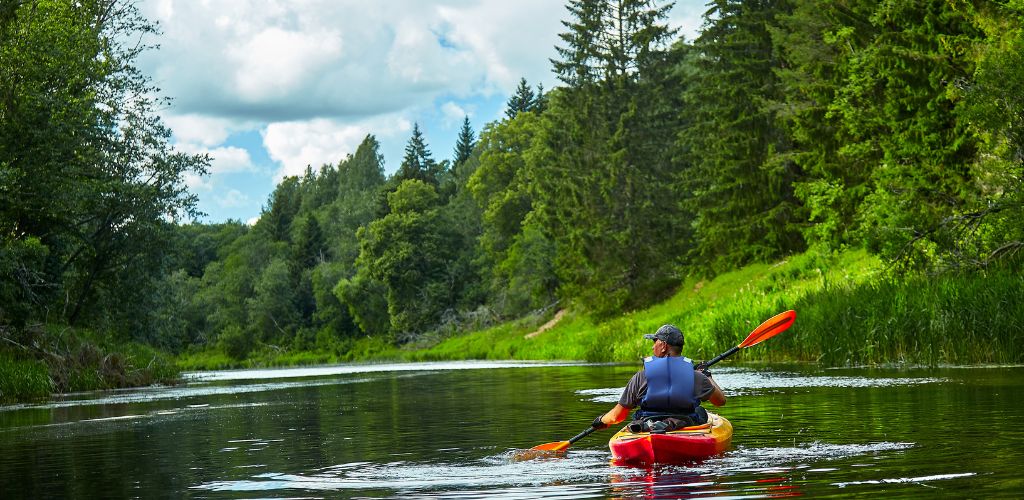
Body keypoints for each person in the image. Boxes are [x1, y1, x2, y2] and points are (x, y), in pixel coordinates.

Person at [591, 324, 726, 433]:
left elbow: (617, 416)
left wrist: (602, 419)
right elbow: (720, 401)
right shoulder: (696, 376)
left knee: (638, 419)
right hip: (684, 424)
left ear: (663, 345)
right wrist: (707, 376)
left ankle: (653, 425)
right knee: (700, 411)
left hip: (648, 423)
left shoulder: (640, 377)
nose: (652, 346)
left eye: (654, 341)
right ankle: (668, 424)